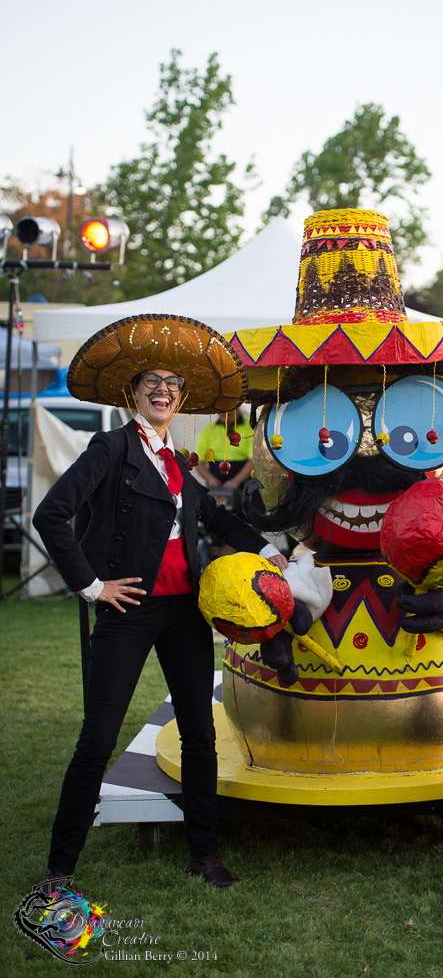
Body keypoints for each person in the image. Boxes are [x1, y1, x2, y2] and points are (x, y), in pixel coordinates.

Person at [33, 315, 287, 892]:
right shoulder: (111, 446)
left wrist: (274, 553)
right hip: (128, 611)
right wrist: (93, 586)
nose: (163, 389)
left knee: (200, 733)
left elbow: (217, 519)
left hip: (184, 615)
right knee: (97, 739)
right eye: (152, 380)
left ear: (182, 396)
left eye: (173, 382)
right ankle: (59, 871)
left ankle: (204, 855)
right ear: (133, 391)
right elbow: (51, 515)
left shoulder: (177, 461)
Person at [194, 411, 254, 493]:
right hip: (215, 485)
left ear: (238, 409)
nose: (226, 417)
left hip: (243, 484)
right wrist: (211, 479)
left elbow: (254, 460)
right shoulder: (208, 430)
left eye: (229, 415)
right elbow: (199, 461)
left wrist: (236, 481)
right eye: (223, 415)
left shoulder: (250, 429)